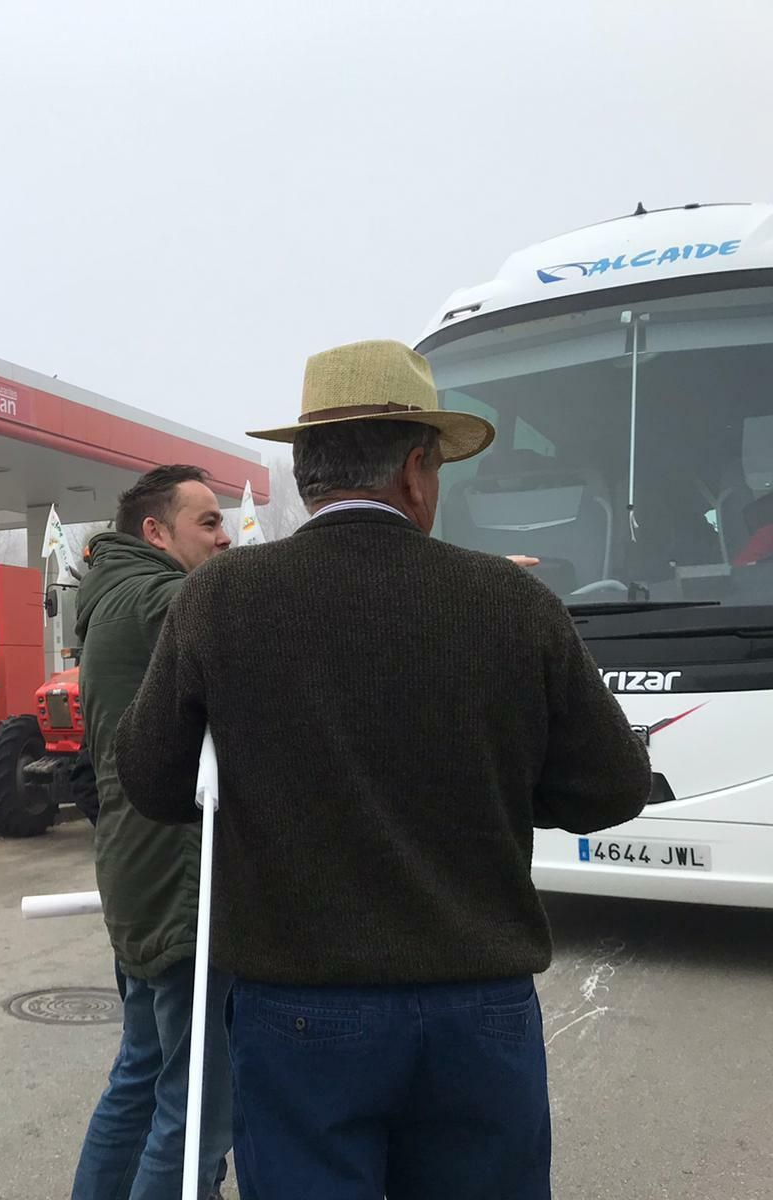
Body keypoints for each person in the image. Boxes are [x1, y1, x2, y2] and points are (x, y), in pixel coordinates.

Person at [114, 340, 652, 1200]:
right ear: (413, 470)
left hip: (299, 1009)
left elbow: (150, 779)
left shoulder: (222, 597)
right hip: (479, 1008)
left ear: (307, 471)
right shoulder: (513, 601)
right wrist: (497, 780)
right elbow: (614, 787)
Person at [70, 465, 234, 1200]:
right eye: (208, 522)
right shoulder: (162, 599)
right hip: (180, 875)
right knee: (195, 1107)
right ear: (155, 532)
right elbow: (271, 615)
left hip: (137, 867)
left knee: (140, 1076)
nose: (224, 538)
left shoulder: (113, 596)